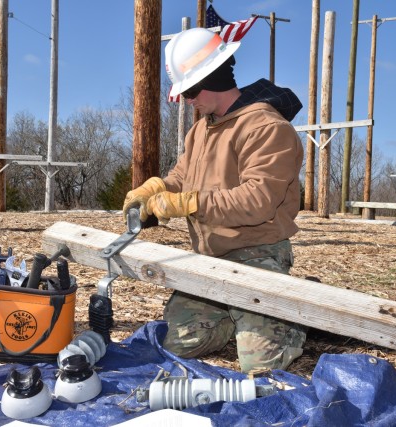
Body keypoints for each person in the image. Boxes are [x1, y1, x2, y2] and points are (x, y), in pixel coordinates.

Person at [122, 27, 305, 373]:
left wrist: (189, 204)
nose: (187, 99)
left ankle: (287, 322)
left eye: (190, 90)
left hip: (257, 255)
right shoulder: (201, 129)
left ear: (214, 78)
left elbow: (258, 200)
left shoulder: (266, 128)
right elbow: (181, 178)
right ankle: (234, 318)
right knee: (177, 340)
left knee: (261, 364)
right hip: (210, 258)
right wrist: (155, 189)